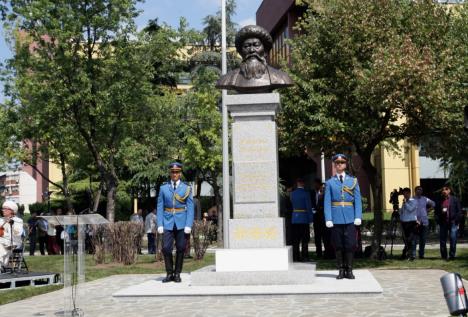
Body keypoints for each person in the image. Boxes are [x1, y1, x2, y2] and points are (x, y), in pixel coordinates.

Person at [216, 25, 293, 93]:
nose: (252, 50)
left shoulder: (281, 77)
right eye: (247, 46)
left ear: (265, 50)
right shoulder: (227, 79)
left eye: (256, 45)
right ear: (240, 52)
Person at [324, 154, 362, 280]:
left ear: (345, 165)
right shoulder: (330, 182)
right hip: (336, 218)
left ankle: (349, 270)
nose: (339, 164)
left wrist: (358, 216)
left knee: (350, 244)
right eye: (337, 163)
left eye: (342, 162)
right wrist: (328, 218)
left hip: (350, 217)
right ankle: (341, 270)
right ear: (335, 165)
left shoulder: (353, 181)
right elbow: (327, 202)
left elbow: (357, 200)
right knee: (338, 244)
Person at [157, 162, 194, 283]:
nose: (175, 174)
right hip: (167, 222)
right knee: (166, 248)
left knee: (181, 248)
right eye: (173, 172)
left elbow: (190, 207)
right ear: (170, 173)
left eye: (177, 172)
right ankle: (169, 273)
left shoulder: (186, 188)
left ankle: (177, 273)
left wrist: (188, 225)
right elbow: (160, 206)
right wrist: (160, 224)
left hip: (182, 222)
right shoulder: (163, 188)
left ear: (180, 173)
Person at [435, 186, 462, 260]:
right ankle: (444, 256)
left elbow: (459, 211)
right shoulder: (439, 200)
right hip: (443, 223)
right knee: (442, 240)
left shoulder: (455, 199)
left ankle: (452, 256)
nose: (444, 191)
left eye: (446, 189)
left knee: (453, 239)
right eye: (443, 190)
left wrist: (457, 221)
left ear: (449, 191)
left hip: (453, 222)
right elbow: (436, 212)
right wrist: (439, 219)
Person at [290, 178, 314, 262]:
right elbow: (308, 207)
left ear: (297, 184)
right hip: (304, 218)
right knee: (305, 239)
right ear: (303, 184)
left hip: (295, 218)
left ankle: (295, 257)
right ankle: (304, 257)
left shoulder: (292, 194)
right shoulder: (306, 194)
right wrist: (310, 218)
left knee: (296, 240)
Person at [0, 201, 24, 271]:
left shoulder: (18, 220)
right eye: (2, 209)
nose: (3, 210)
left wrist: (11, 225)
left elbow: (17, 233)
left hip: (14, 242)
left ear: (11, 210)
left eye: (5, 209)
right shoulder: (1, 220)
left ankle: (2, 264)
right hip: (2, 242)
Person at [413, 186, 435, 259]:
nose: (419, 191)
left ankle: (421, 254)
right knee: (414, 239)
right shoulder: (412, 199)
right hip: (415, 222)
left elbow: (433, 204)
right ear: (415, 191)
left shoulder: (425, 199)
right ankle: (413, 254)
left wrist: (428, 210)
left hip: (424, 221)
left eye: (421, 190)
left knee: (423, 239)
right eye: (418, 190)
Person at [399, 188, 418, 261]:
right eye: (404, 193)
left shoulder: (414, 201)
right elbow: (403, 211)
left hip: (411, 222)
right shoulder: (404, 202)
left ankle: (410, 255)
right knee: (405, 239)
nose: (405, 195)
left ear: (409, 193)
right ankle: (406, 253)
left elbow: (410, 209)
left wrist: (405, 203)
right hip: (404, 222)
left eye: (406, 193)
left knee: (410, 239)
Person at [311, 178, 326, 258]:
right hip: (316, 218)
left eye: (316, 184)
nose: (314, 186)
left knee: (324, 235)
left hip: (323, 217)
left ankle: (327, 251)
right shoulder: (312, 193)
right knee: (317, 236)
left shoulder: (324, 193)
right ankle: (319, 252)